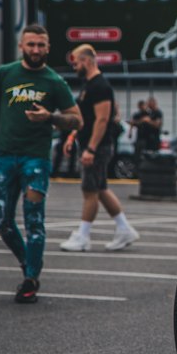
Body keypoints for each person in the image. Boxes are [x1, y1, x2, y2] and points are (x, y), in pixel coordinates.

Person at [0, 22, 82, 303]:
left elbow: (76, 119)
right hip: (5, 156)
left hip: (36, 159)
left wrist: (51, 117)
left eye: (41, 45)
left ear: (48, 48)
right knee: (0, 220)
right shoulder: (4, 73)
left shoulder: (54, 82)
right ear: (21, 46)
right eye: (30, 44)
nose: (35, 49)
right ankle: (26, 263)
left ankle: (31, 278)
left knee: (34, 220)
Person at [59, 45, 140, 251]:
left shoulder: (100, 86)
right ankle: (124, 229)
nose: (75, 66)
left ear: (87, 61)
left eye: (76, 62)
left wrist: (91, 149)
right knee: (101, 189)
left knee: (90, 191)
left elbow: (102, 120)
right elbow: (86, 118)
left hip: (97, 147)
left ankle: (83, 236)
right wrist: (73, 135)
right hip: (91, 144)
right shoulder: (90, 85)